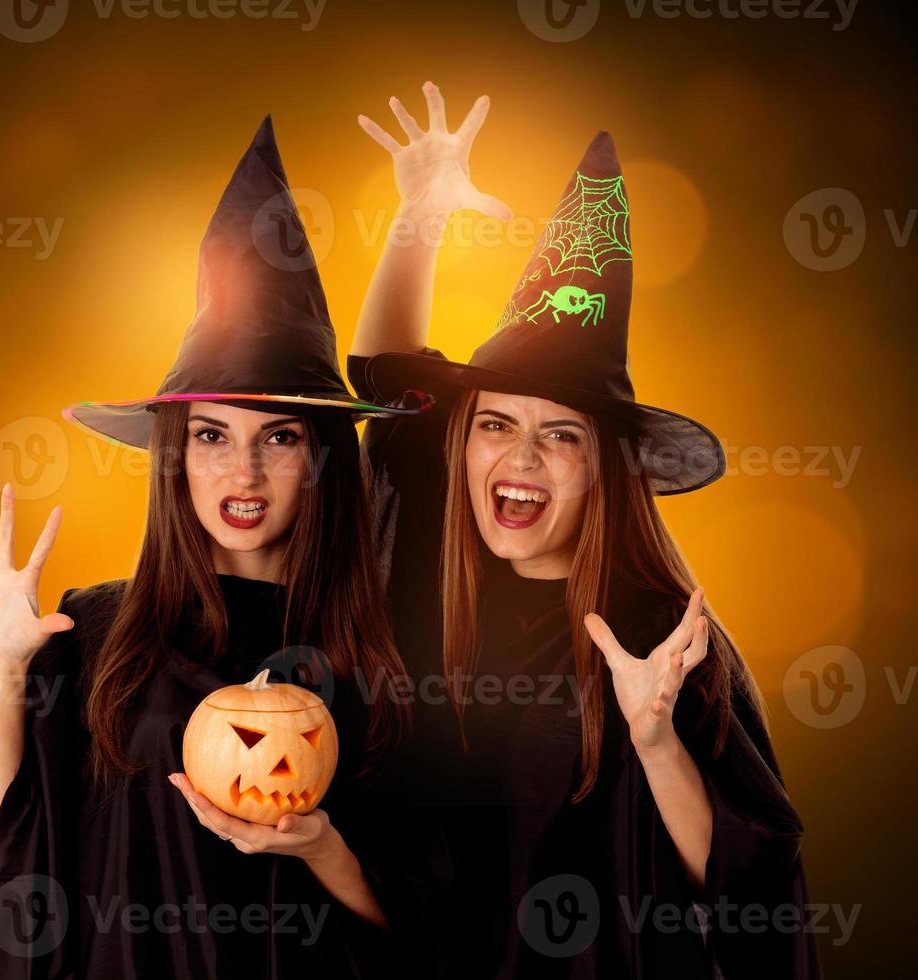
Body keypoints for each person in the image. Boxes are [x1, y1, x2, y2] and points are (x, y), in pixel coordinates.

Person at [0, 117, 427, 980]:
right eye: (209, 435)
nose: (242, 468)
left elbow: (428, 918)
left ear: (322, 461)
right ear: (175, 455)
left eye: (278, 437)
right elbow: (4, 866)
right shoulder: (92, 633)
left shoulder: (373, 657)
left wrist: (320, 849)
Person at [349, 83, 821, 978]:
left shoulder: (664, 646)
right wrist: (420, 214)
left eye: (559, 434)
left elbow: (740, 877)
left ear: (605, 464)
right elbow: (381, 388)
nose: (520, 456)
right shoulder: (427, 562)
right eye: (496, 423)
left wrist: (655, 743)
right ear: (459, 443)